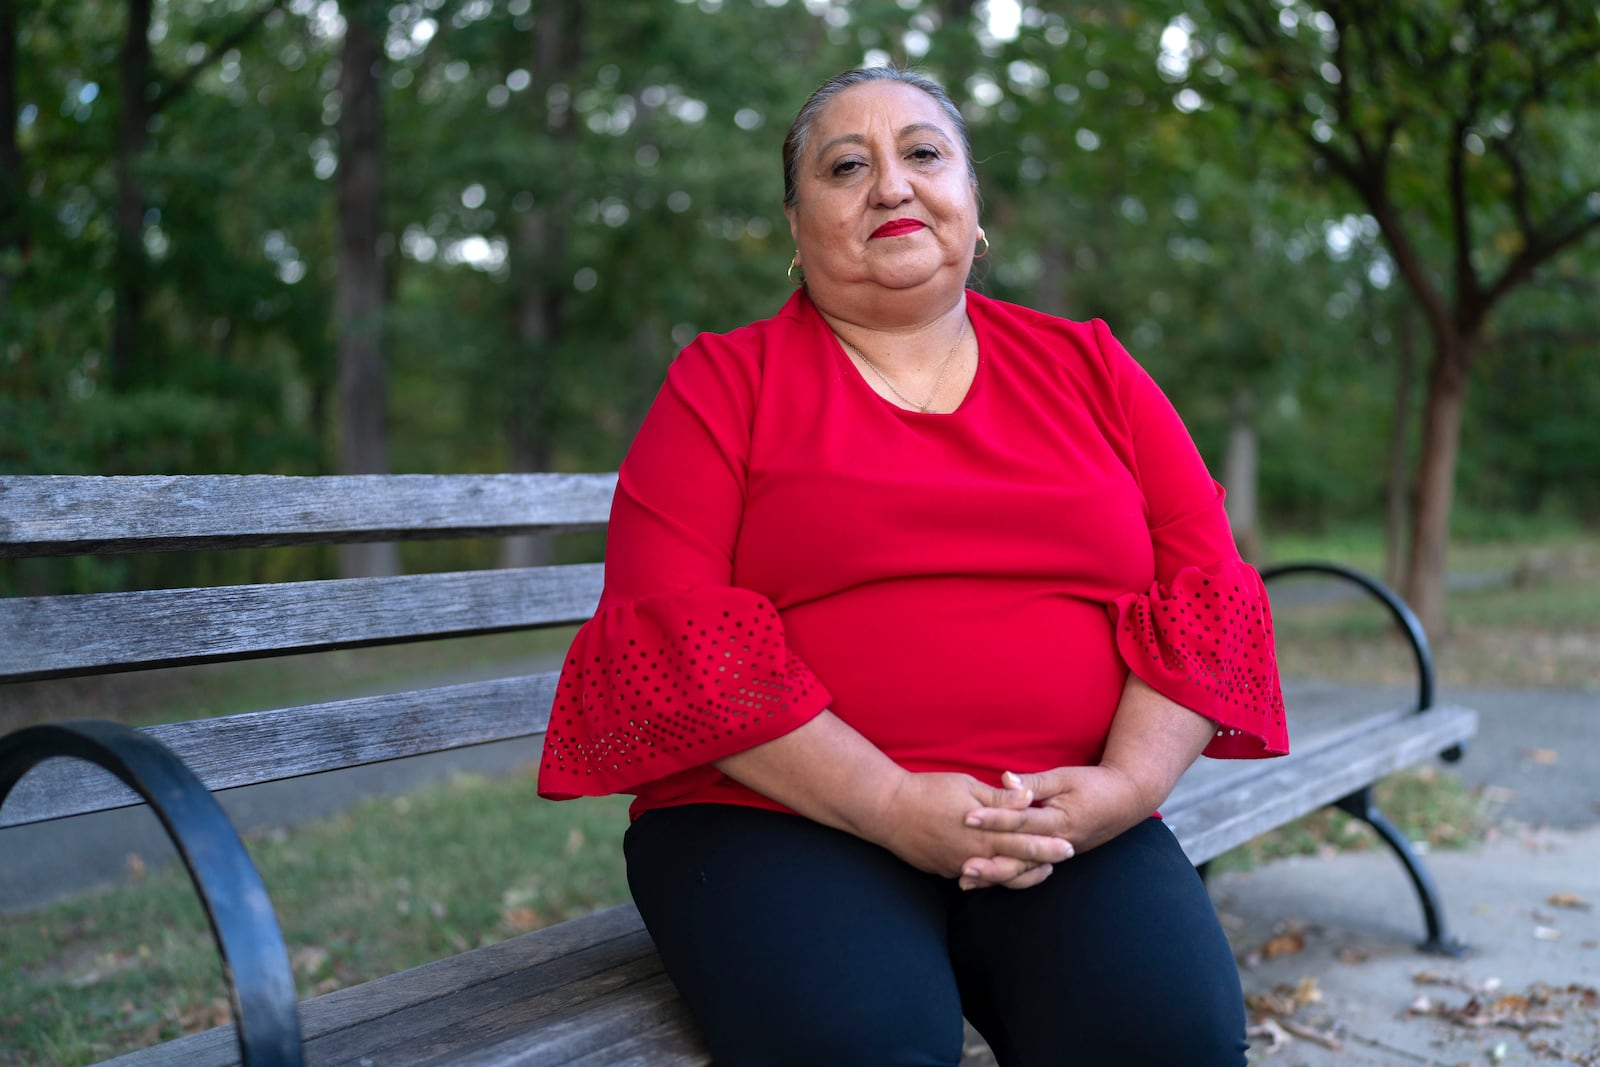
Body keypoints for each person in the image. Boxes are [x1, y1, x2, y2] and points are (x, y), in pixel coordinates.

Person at [538, 65, 1289, 1067]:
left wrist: (1121, 785)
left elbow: (1204, 595)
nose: (890, 185)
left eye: (923, 154)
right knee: (861, 1042)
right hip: (777, 817)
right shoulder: (725, 381)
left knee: (1168, 1039)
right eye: (846, 165)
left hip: (1057, 819)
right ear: (797, 231)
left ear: (973, 210)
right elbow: (676, 635)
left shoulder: (1091, 366)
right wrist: (891, 801)